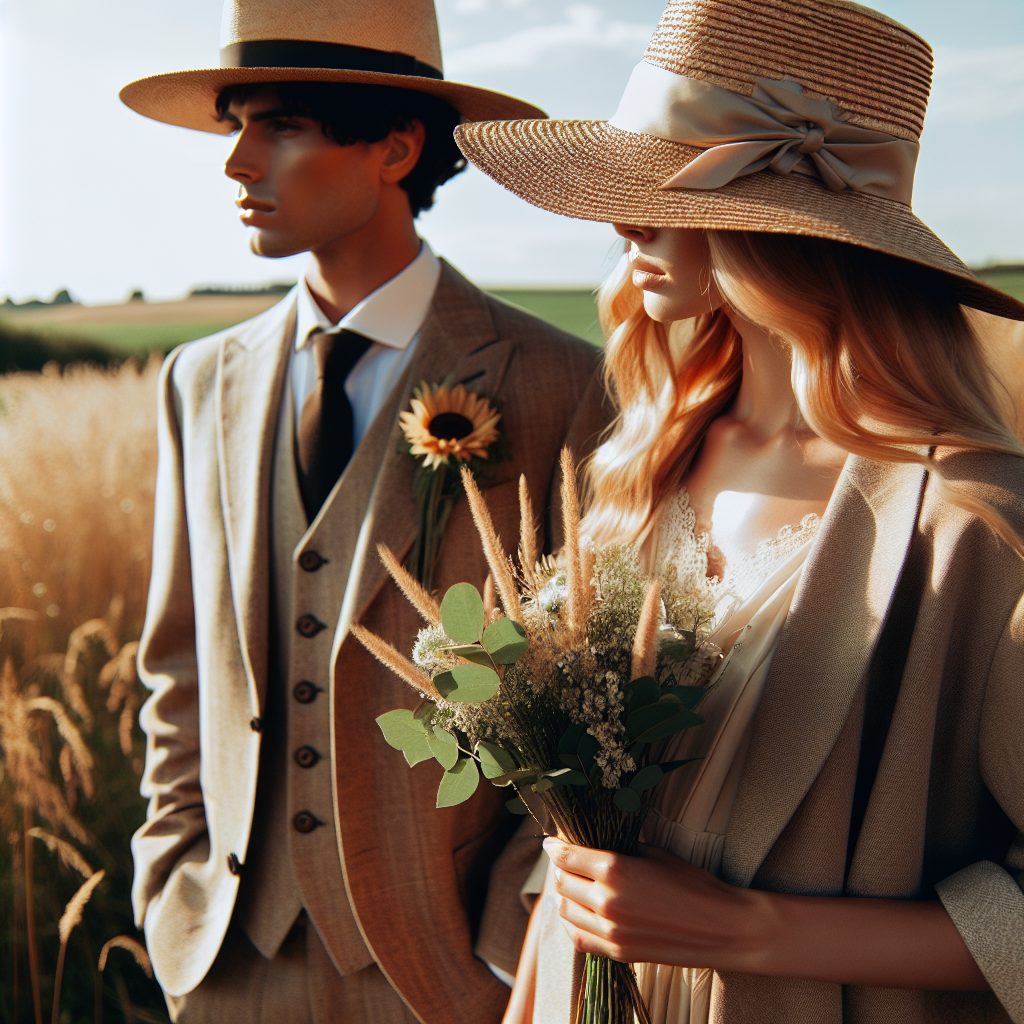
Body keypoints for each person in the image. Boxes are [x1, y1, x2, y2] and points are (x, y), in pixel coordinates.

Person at [454, 0, 1024, 1021]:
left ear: (791, 230)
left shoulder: (980, 526)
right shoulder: (640, 462)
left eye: (662, 189)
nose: (622, 222)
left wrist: (749, 931)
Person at [119, 2, 608, 1021]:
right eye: (235, 123)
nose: (237, 162)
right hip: (223, 958)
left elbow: (595, 694)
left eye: (282, 124)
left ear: (395, 146)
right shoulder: (196, 380)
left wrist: (511, 939)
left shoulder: (565, 384)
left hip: (449, 969)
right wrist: (171, 883)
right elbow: (176, 661)